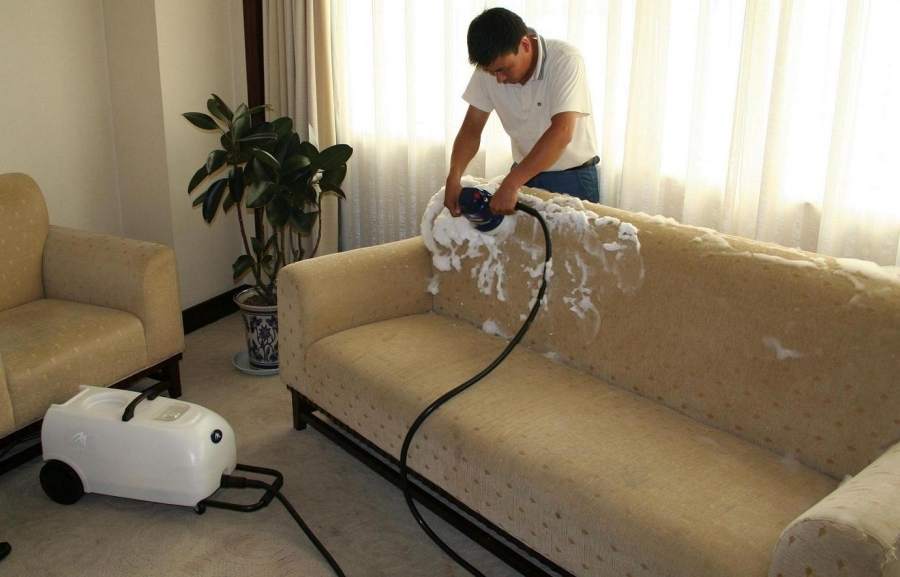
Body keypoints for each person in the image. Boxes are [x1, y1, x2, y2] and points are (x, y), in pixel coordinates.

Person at [444, 7, 600, 217]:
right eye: (492, 72)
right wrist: (454, 177)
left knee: (572, 240)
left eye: (503, 69)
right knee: (518, 239)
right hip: (522, 173)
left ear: (525, 44)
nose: (499, 78)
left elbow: (562, 132)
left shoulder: (565, 59)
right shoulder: (490, 68)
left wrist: (511, 183)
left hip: (571, 178)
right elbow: (471, 129)